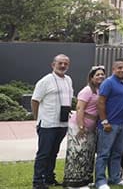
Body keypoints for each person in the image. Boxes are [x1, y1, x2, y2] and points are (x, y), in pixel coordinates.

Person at [31, 54, 74, 189]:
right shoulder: (45, 81)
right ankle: (38, 181)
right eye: (60, 63)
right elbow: (35, 100)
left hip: (62, 123)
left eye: (65, 64)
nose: (62, 66)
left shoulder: (68, 79)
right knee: (44, 153)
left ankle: (49, 178)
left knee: (54, 152)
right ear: (53, 65)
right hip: (48, 124)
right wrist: (37, 118)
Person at [63, 66, 104, 188]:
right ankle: (73, 183)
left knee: (88, 153)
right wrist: (81, 126)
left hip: (92, 127)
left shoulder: (99, 90)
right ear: (91, 77)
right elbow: (80, 108)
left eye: (102, 74)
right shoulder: (87, 91)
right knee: (77, 153)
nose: (100, 76)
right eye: (97, 75)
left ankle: (85, 180)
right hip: (79, 126)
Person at [95, 59, 123, 189]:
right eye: (119, 68)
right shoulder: (108, 83)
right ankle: (100, 181)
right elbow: (100, 103)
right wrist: (104, 121)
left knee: (117, 153)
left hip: (121, 124)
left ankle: (115, 178)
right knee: (104, 154)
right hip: (108, 125)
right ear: (113, 69)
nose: (122, 70)